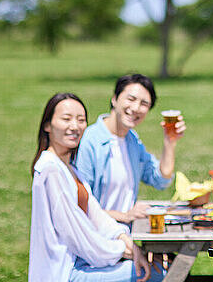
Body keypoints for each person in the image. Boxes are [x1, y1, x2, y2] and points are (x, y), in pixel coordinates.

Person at [29, 92, 164, 282]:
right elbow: (78, 235)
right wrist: (125, 252)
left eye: (81, 120)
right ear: (47, 125)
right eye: (66, 119)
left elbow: (96, 216)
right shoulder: (51, 170)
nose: (74, 126)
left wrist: (127, 242)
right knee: (159, 272)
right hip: (65, 272)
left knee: (161, 264)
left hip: (83, 261)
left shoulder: (70, 168)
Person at [76, 74, 186, 224]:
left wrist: (169, 141)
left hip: (124, 233)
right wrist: (125, 216)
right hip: (97, 235)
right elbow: (80, 205)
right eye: (131, 99)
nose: (135, 108)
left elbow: (160, 180)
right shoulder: (90, 141)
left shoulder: (131, 140)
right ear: (114, 99)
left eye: (144, 104)